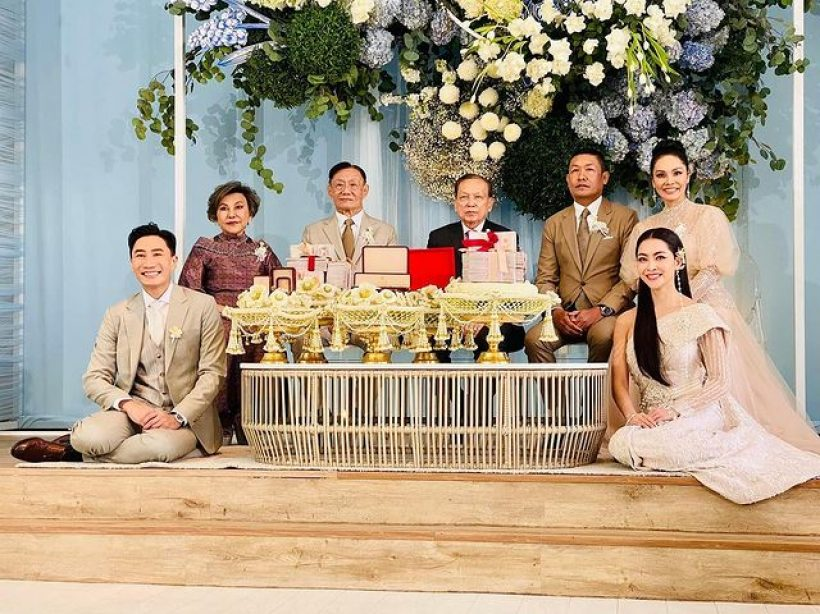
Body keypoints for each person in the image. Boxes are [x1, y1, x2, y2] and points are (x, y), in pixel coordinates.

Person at [618, 139, 820, 454]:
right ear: (652, 181)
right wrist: (662, 311)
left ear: (689, 174)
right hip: (660, 311)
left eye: (676, 173)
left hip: (705, 305)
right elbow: (637, 278)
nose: (669, 181)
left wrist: (682, 308)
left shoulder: (708, 216)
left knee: (722, 380)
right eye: (661, 175)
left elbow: (712, 270)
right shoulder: (646, 226)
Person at [608, 228, 820, 503]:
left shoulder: (702, 315)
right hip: (652, 421)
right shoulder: (627, 321)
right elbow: (619, 381)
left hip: (698, 412)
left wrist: (677, 410)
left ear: (678, 262)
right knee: (621, 442)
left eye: (660, 257)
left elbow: (720, 381)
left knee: (670, 445)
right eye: (643, 259)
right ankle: (672, 449)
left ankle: (737, 443)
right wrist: (631, 416)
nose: (651, 267)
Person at [11, 224, 226, 464]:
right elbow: (94, 378)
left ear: (173, 260)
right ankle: (88, 446)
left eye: (157, 254)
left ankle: (71, 453)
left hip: (185, 420)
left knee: (158, 446)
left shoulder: (202, 306)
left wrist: (176, 416)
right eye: (140, 255)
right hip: (132, 414)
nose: (149, 262)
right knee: (87, 436)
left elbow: (213, 374)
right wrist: (129, 405)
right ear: (132, 263)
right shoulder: (117, 313)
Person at [178, 181, 281, 444]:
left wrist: (256, 312)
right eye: (224, 208)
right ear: (215, 215)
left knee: (265, 342)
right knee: (223, 333)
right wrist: (223, 310)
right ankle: (219, 427)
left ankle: (257, 426)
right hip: (216, 317)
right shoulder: (203, 248)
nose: (232, 214)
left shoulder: (262, 250)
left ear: (250, 213)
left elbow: (281, 288)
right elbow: (188, 291)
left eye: (238, 207)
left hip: (254, 320)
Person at [525, 147, 638, 363]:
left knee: (604, 337)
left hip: (607, 313)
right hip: (566, 314)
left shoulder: (625, 218)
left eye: (589, 170)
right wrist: (556, 311)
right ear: (568, 179)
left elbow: (631, 277)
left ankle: (596, 388)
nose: (581, 176)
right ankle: (556, 389)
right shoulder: (555, 223)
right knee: (534, 340)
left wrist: (601, 310)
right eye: (575, 170)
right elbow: (546, 278)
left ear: (604, 178)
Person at [427, 173, 525, 360]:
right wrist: (460, 318)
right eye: (464, 197)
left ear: (490, 203)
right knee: (432, 338)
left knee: (492, 337)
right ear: (455, 203)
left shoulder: (504, 236)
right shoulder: (439, 237)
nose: (470, 204)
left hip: (494, 316)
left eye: (478, 197)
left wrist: (482, 318)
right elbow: (433, 287)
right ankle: (445, 381)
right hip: (450, 315)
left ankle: (485, 382)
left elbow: (510, 290)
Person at [301, 161, 397, 271]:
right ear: (330, 191)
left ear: (365, 190)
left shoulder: (385, 232)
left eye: (353, 185)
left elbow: (393, 274)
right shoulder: (312, 232)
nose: (346, 191)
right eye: (339, 185)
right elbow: (305, 275)